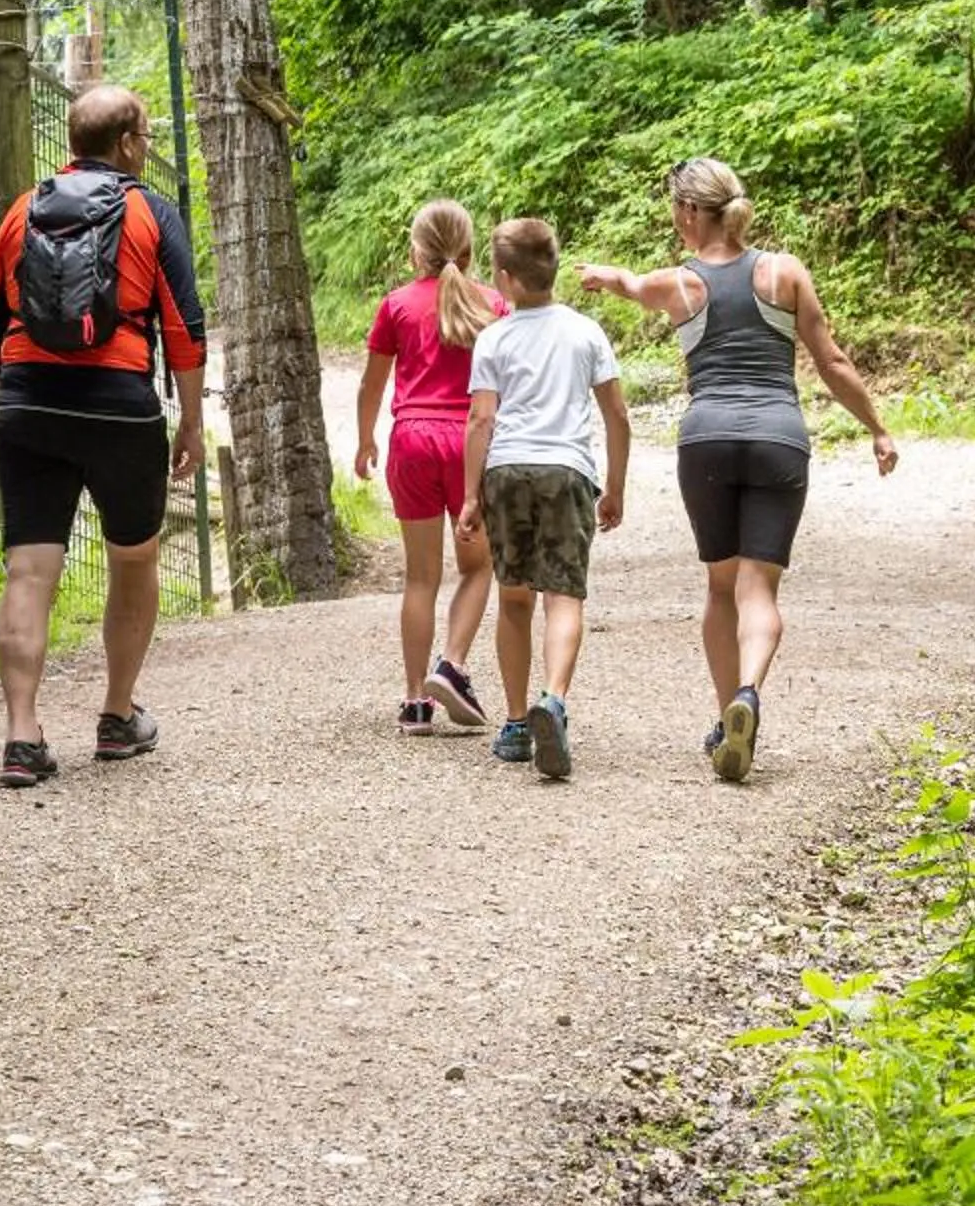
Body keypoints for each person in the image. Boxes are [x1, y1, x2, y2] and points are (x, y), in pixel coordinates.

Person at [577, 158, 896, 784]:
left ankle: (727, 722)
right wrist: (877, 428)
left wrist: (598, 275)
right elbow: (829, 360)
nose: (674, 221)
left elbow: (628, 283)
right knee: (760, 590)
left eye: (675, 210)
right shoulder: (784, 272)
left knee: (721, 588)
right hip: (780, 438)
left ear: (692, 213)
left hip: (708, 443)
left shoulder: (679, 284)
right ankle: (748, 692)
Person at [0, 84, 208, 790]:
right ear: (130, 142)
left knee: (28, 572)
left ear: (73, 144)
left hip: (28, 403)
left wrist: (22, 388)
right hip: (119, 407)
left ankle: (21, 736)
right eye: (147, 134)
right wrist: (190, 419)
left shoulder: (24, 209)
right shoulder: (150, 212)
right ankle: (114, 716)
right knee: (133, 561)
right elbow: (185, 329)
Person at [458, 217, 630, 782]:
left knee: (513, 600)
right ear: (555, 267)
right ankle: (552, 701)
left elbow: (482, 419)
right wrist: (616, 487)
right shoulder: (586, 332)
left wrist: (470, 496)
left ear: (504, 279)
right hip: (566, 471)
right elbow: (616, 415)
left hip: (507, 471)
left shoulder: (495, 337)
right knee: (563, 598)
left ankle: (513, 724)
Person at [355, 200, 508, 734]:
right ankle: (454, 664)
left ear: (415, 251)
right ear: (468, 252)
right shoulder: (493, 303)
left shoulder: (396, 304)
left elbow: (372, 383)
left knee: (420, 578)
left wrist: (364, 440)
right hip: (471, 445)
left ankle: (416, 700)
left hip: (413, 442)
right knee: (478, 566)